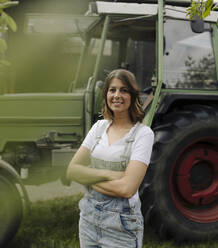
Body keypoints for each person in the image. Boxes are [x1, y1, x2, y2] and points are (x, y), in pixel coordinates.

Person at [66, 69, 154, 248]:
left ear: (132, 95)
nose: (117, 95)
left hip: (121, 226)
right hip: (88, 220)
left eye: (124, 90)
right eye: (112, 90)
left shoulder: (143, 134)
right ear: (106, 94)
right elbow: (71, 171)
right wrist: (109, 174)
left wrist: (87, 178)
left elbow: (126, 188)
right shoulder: (99, 127)